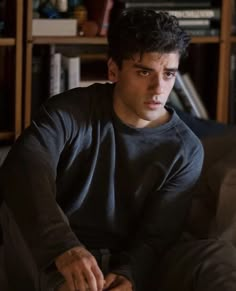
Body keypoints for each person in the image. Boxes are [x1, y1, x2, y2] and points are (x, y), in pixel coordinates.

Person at [1, 8, 236, 291]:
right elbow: (23, 165)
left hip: (126, 258)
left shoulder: (186, 149)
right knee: (22, 215)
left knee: (216, 258)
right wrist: (63, 248)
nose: (158, 89)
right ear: (113, 70)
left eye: (168, 74)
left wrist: (130, 273)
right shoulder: (68, 111)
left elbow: (157, 236)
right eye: (144, 71)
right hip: (55, 248)